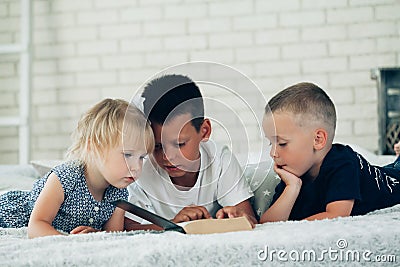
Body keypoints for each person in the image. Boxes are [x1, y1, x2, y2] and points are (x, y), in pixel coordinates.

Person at [0, 99, 154, 238]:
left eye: (142, 157)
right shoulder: (66, 177)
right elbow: (36, 226)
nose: (136, 167)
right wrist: (69, 243)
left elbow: (112, 236)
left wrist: (95, 234)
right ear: (94, 147)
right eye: (127, 155)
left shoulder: (119, 194)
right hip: (9, 215)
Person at [125, 74, 256, 230]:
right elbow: (127, 228)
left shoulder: (220, 160)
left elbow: (249, 218)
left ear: (204, 131)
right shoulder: (140, 168)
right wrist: (173, 224)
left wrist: (235, 215)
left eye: (179, 144)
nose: (168, 157)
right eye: (158, 146)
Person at [259, 82, 400, 223]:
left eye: (282, 143)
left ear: (318, 139)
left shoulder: (342, 161)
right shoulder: (293, 175)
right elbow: (268, 224)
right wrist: (292, 188)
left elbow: (336, 215)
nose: (273, 153)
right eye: (272, 143)